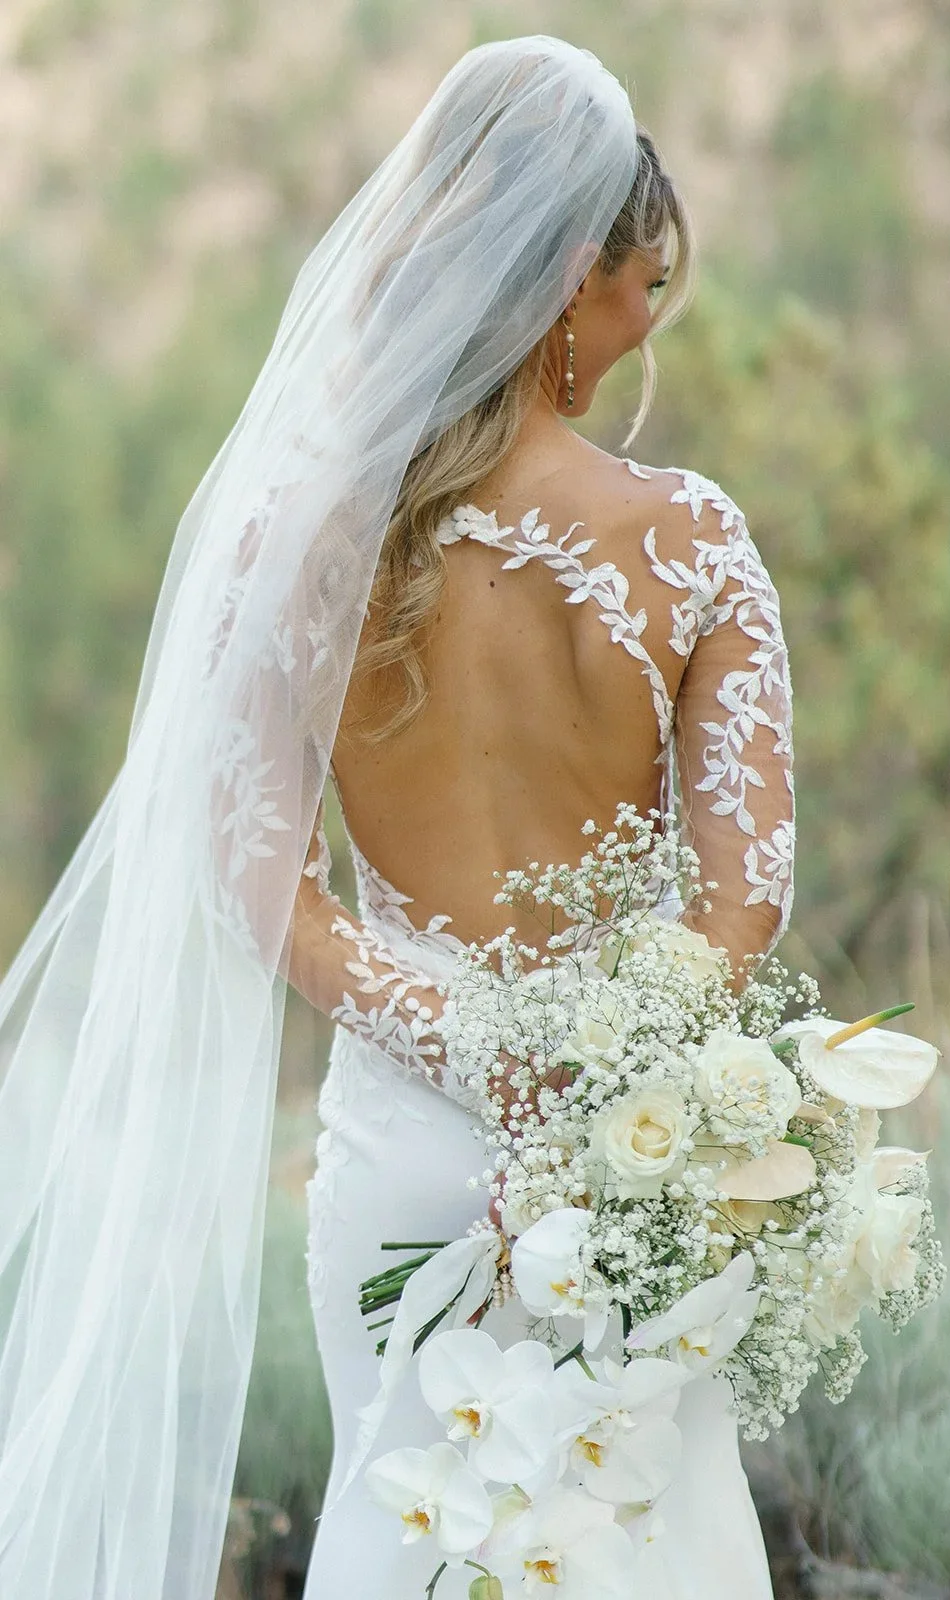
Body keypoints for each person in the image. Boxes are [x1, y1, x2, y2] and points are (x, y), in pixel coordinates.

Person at [0, 35, 791, 1600]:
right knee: (651, 1528)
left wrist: (471, 1048)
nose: (645, 323)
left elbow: (261, 885)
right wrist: (597, 1076)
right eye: (641, 284)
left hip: (402, 1149)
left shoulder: (298, 536)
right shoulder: (690, 540)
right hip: (631, 1156)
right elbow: (740, 898)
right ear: (568, 279)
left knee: (402, 1515)